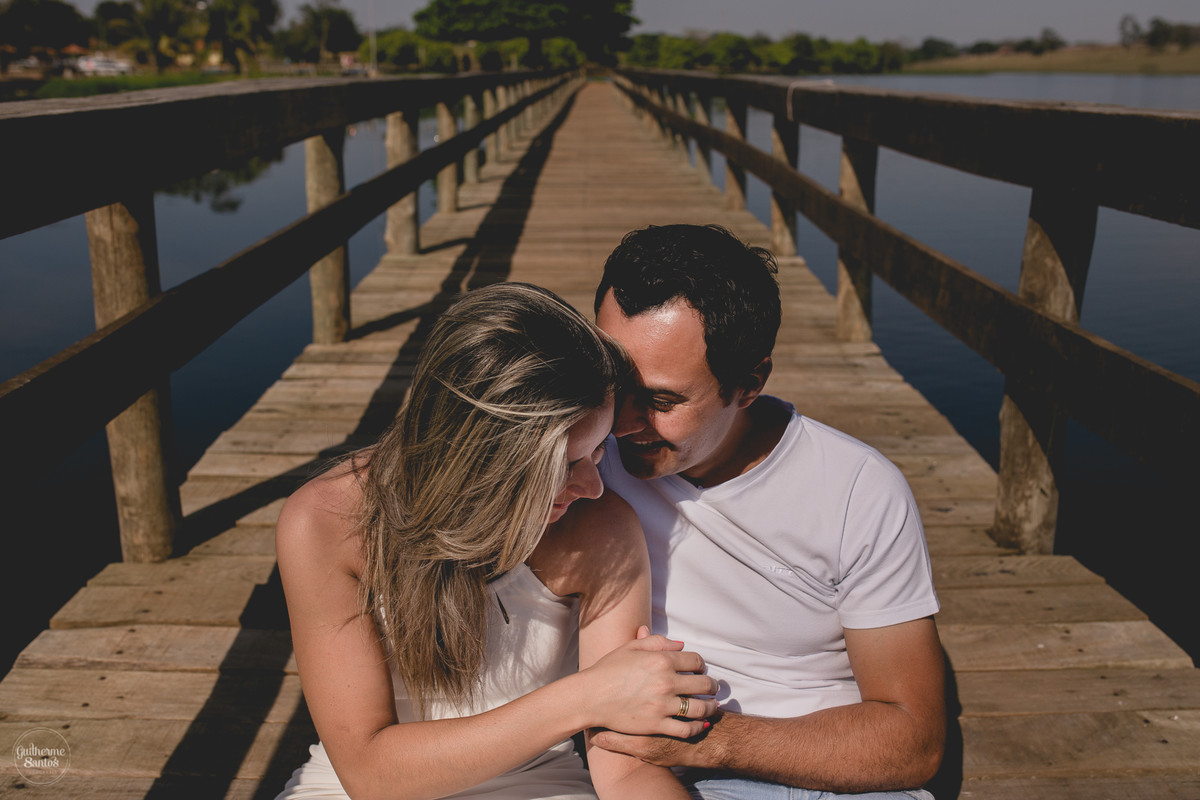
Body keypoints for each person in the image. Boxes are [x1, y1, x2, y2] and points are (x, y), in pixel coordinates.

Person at [273, 282, 719, 800]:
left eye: (599, 452)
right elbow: (370, 773)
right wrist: (587, 697)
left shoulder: (601, 529)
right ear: (483, 459)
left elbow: (623, 767)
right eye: (566, 464)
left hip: (540, 786)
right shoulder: (327, 522)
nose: (594, 485)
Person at [589, 225, 946, 800]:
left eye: (661, 401)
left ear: (749, 383)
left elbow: (913, 741)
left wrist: (711, 740)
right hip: (642, 776)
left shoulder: (858, 490)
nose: (622, 422)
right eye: (611, 381)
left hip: (826, 774)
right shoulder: (579, 459)